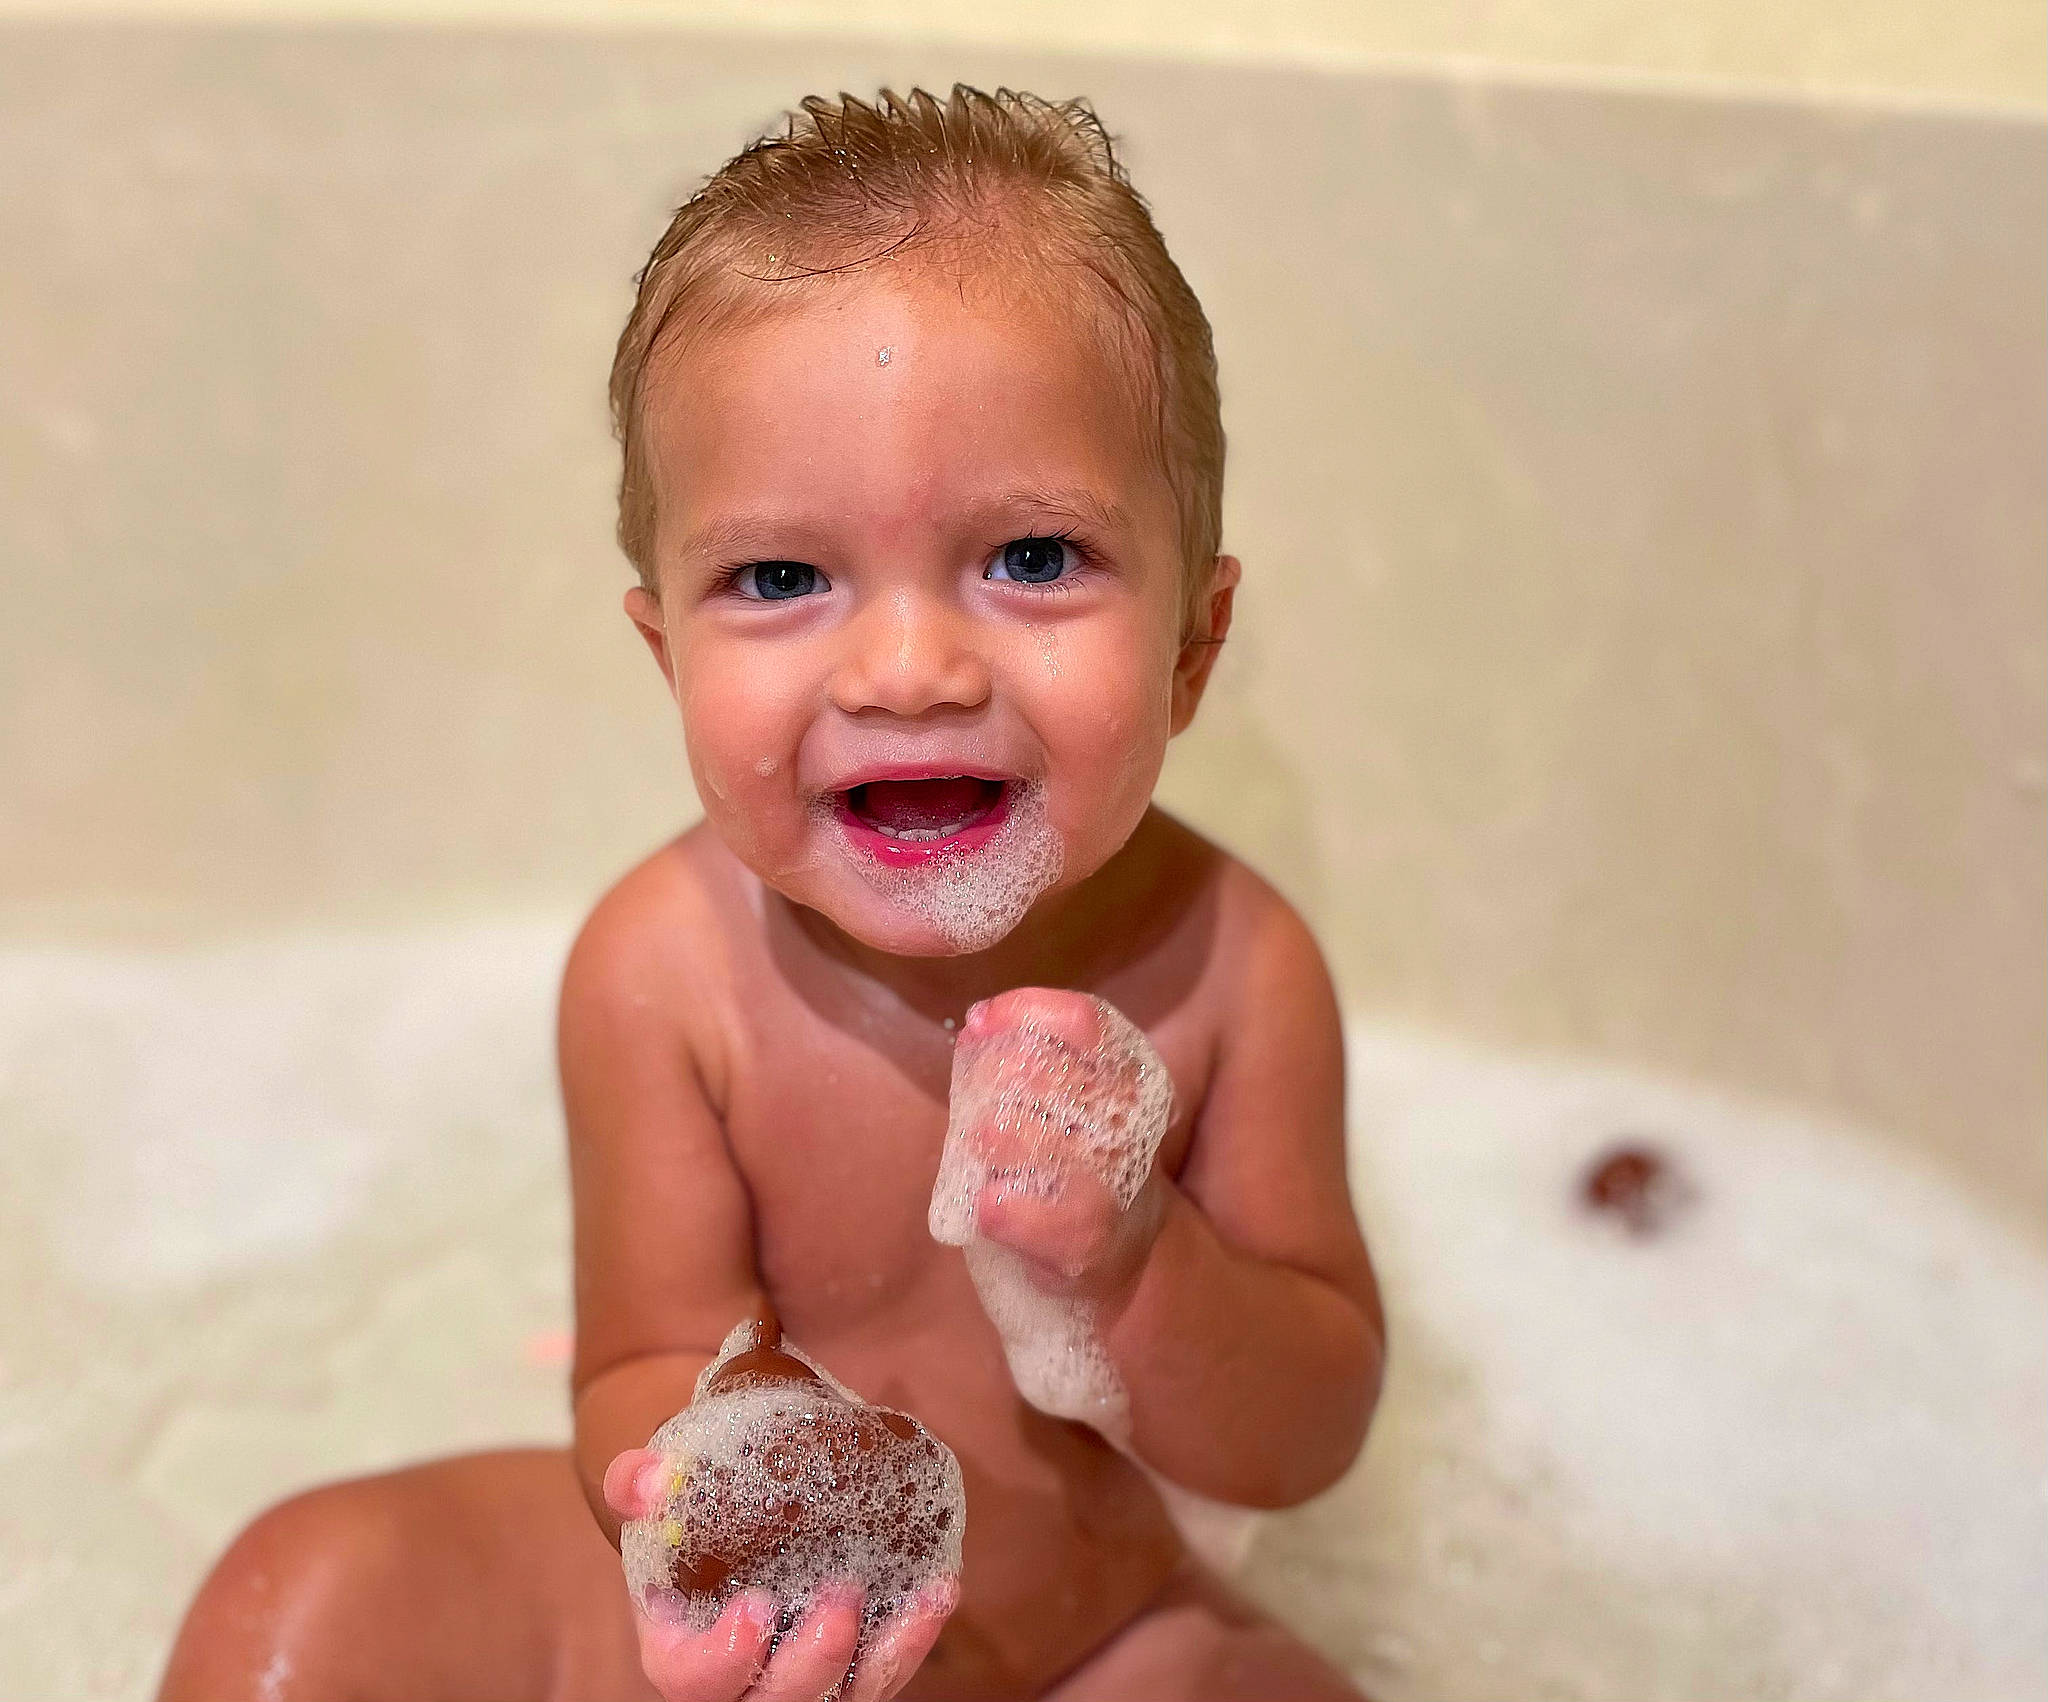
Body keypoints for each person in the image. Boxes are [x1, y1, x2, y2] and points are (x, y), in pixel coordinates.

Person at [159, 85, 1383, 1702]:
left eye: (1031, 556)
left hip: (1088, 1639)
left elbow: (1306, 1432)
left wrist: (1138, 1263)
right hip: (742, 1647)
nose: (909, 668)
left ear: (1191, 647)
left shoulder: (1233, 969)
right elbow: (645, 1357)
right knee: (304, 1596)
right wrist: (735, 1494)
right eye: (782, 576)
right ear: (666, 650)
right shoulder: (664, 974)